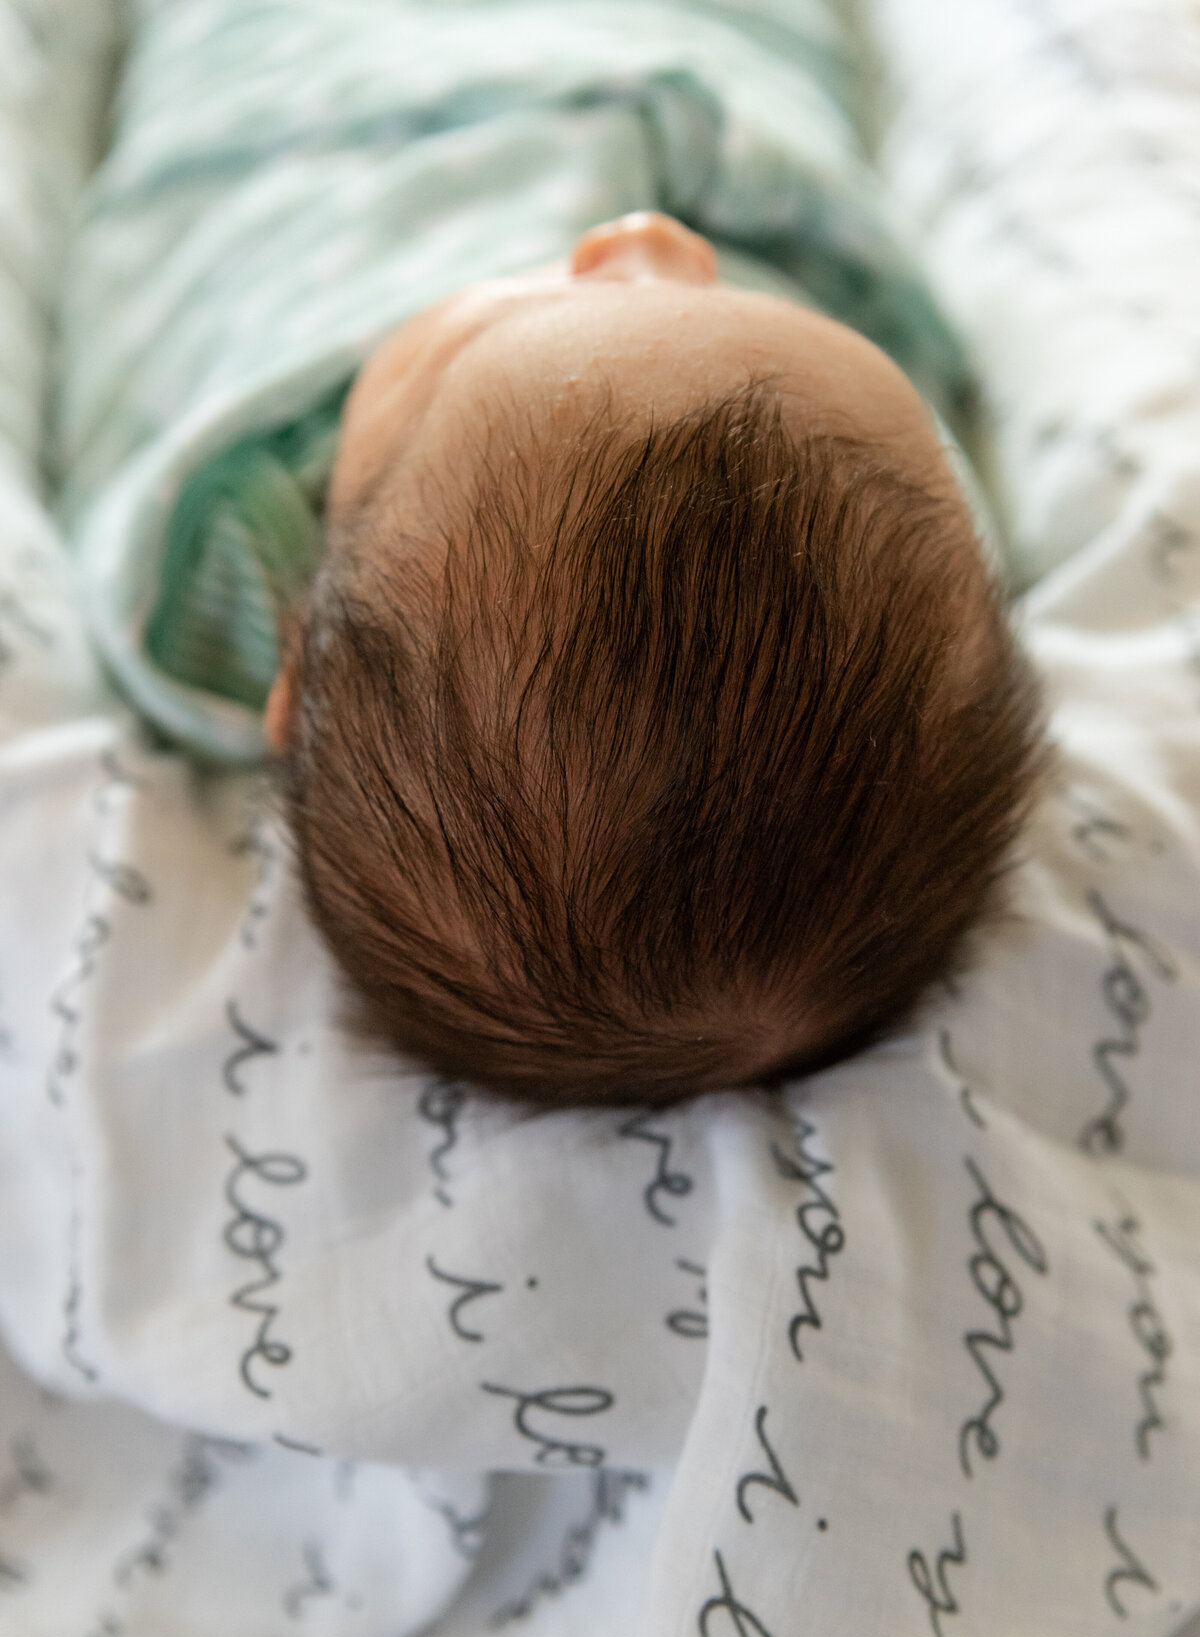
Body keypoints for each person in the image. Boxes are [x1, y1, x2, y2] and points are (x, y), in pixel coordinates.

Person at [58, 2, 1044, 1106]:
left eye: (494, 331)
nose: (651, 239)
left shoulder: (224, 525)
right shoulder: (893, 547)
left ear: (297, 675)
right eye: (732, 295)